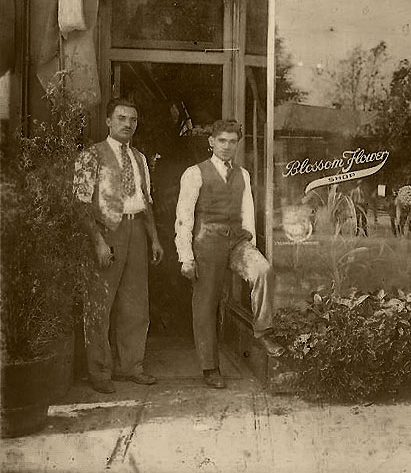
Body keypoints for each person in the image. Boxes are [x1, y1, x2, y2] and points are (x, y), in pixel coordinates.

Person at [175, 119, 284, 390]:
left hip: (236, 242)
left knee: (263, 270)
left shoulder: (243, 175)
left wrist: (251, 243)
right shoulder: (194, 173)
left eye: (232, 142)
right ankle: (210, 367)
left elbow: (248, 213)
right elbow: (183, 219)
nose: (226, 146)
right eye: (221, 140)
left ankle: (263, 330)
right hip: (207, 243)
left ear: (237, 145)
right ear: (211, 141)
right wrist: (185, 256)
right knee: (205, 304)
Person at [73, 98, 164, 394]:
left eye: (133, 120)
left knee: (135, 303)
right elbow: (81, 205)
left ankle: (131, 366)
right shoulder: (91, 156)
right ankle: (100, 371)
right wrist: (98, 242)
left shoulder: (139, 158)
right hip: (106, 231)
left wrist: (154, 238)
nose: (128, 124)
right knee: (100, 304)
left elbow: (145, 199)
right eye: (122, 118)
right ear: (109, 122)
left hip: (136, 229)